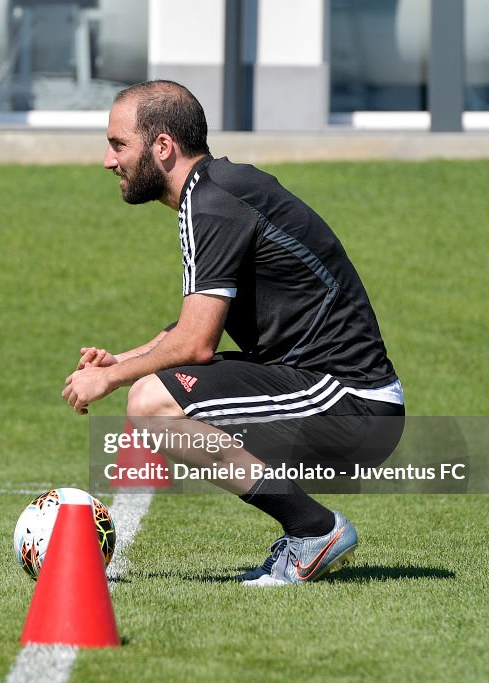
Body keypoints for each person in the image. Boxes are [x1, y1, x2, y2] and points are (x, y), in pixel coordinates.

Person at [61, 80, 404, 587]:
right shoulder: (215, 191)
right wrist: (121, 360)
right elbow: (192, 327)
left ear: (162, 146)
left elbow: (196, 345)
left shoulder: (213, 201)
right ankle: (309, 531)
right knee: (156, 390)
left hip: (354, 403)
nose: (109, 161)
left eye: (118, 144)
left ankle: (315, 530)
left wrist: (108, 382)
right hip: (319, 385)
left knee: (152, 404)